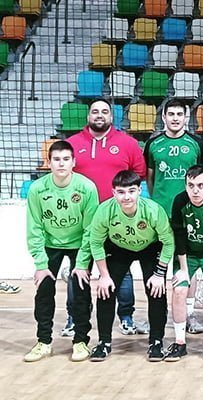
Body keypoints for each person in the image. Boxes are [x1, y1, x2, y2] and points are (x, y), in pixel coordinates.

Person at [67, 98, 146, 336]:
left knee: (121, 270)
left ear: (112, 116)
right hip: (81, 221)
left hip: (117, 220)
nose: (99, 115)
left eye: (104, 111)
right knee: (79, 269)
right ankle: (75, 318)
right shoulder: (72, 144)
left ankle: (126, 317)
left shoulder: (128, 144)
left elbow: (138, 175)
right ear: (88, 116)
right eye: (95, 111)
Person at [87, 170, 174, 361]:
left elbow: (168, 242)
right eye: (121, 192)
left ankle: (156, 342)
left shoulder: (153, 210)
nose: (126, 197)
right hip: (118, 248)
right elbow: (95, 242)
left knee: (157, 291)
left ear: (139, 191)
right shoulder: (104, 210)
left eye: (131, 191)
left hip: (150, 247)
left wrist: (159, 274)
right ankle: (103, 342)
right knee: (105, 291)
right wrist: (104, 276)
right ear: (113, 192)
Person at [23, 141, 98, 362]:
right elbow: (34, 227)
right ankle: (44, 342)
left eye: (66, 159)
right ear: (49, 162)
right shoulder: (37, 189)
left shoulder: (87, 188)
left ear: (74, 162)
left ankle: (81, 341)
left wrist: (82, 263)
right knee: (44, 292)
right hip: (50, 244)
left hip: (79, 244)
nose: (61, 164)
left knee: (80, 292)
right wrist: (40, 263)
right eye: (56, 159)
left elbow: (91, 229)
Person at [144, 99, 203, 335]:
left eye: (179, 114)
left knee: (185, 266)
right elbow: (150, 179)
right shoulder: (153, 144)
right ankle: (156, 316)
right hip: (160, 215)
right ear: (163, 117)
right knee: (157, 266)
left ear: (186, 117)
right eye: (170, 114)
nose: (174, 118)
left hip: (189, 214)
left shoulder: (197, 144)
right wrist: (159, 203)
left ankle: (189, 315)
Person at [164, 166, 203, 362]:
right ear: (185, 186)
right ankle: (180, 342)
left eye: (200, 186)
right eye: (191, 186)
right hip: (187, 254)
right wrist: (183, 269)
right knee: (179, 290)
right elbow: (179, 235)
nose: (195, 191)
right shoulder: (180, 201)